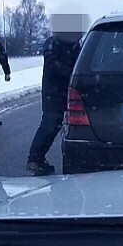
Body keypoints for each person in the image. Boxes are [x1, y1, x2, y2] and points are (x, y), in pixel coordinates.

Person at [26, 21, 83, 176]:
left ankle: (38, 159)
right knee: (49, 125)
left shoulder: (75, 46)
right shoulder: (53, 43)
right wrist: (72, 74)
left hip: (67, 90)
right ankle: (34, 159)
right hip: (53, 91)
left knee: (54, 125)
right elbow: (52, 62)